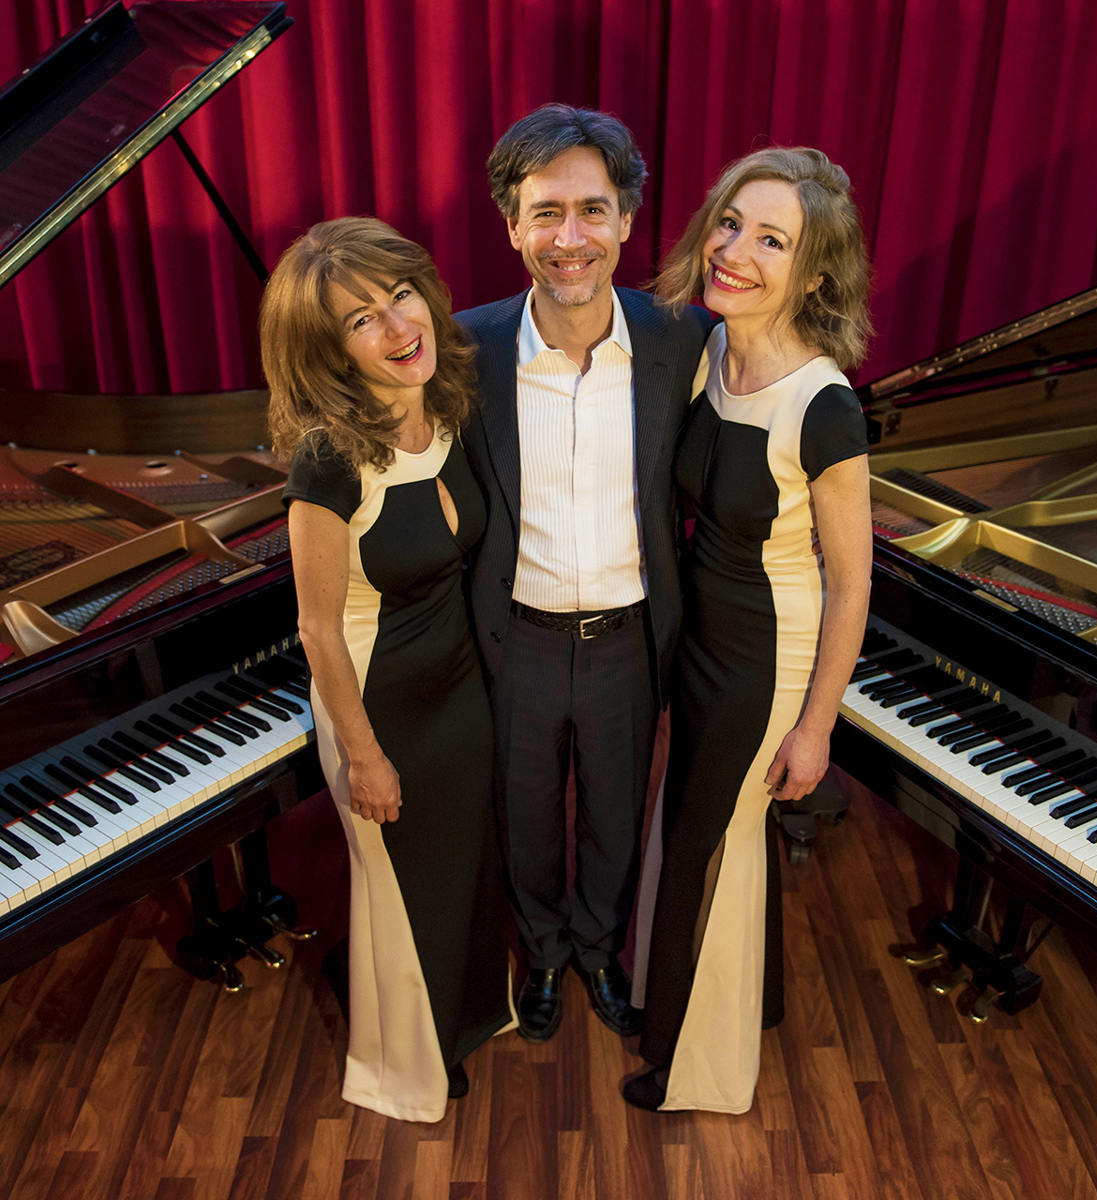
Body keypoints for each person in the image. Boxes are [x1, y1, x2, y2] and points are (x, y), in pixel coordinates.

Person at [624, 148, 874, 1113]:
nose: (735, 251)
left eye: (772, 240)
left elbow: (851, 584)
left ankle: (703, 1070)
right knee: (709, 825)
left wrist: (816, 728)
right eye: (730, 224)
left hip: (766, 661)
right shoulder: (711, 351)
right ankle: (723, 1002)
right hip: (703, 640)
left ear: (813, 273)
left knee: (708, 839)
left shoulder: (824, 406)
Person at [456, 105, 712, 1043]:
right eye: (546, 213)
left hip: (629, 639)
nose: (571, 239)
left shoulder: (685, 340)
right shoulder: (461, 350)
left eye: (593, 211)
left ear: (628, 220)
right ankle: (542, 951)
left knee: (615, 815)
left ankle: (598, 950)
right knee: (522, 818)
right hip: (514, 637)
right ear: (511, 225)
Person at [262, 217, 514, 1123]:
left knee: (462, 863)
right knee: (398, 885)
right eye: (360, 320)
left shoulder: (444, 407)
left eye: (400, 296)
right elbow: (318, 629)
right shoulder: (328, 460)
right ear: (329, 351)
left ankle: (467, 1016)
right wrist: (363, 757)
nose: (398, 327)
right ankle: (402, 1067)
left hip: (457, 684)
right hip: (379, 702)